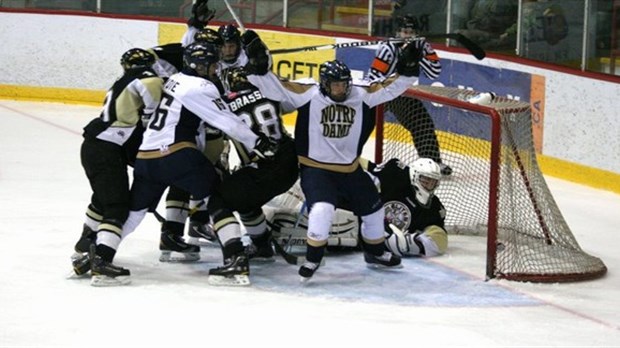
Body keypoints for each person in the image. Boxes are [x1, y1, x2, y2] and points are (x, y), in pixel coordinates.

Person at [87, 42, 278, 286]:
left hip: (147, 158)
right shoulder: (199, 87)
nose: (214, 69)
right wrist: (259, 143)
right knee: (218, 198)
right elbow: (226, 121)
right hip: (177, 154)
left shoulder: (174, 79)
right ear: (199, 66)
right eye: (211, 64)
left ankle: (99, 258)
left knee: (133, 212)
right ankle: (235, 259)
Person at [240, 30, 424, 281]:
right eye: (335, 85)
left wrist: (408, 67)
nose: (340, 89)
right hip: (316, 169)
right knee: (323, 209)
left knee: (373, 210)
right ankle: (314, 259)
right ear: (325, 84)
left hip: (350, 169)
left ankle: (375, 252)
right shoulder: (308, 93)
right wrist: (257, 66)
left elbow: (390, 89)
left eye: (343, 84)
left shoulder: (360, 94)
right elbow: (273, 87)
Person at [69, 48, 163, 278]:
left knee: (103, 198)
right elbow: (153, 118)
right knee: (117, 207)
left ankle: (87, 240)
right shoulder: (148, 78)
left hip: (96, 146)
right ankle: (101, 262)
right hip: (106, 149)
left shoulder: (123, 81)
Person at [203, 67, 299, 285]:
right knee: (244, 195)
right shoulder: (270, 94)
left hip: (266, 168)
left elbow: (216, 143)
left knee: (219, 199)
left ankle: (235, 258)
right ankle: (262, 245)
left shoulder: (225, 105)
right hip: (290, 161)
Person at [368, 14, 452, 176]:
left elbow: (435, 72)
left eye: (411, 32)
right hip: (381, 92)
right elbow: (373, 77)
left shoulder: (422, 46)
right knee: (363, 123)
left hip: (402, 94)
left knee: (422, 123)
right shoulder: (388, 49)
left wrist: (419, 55)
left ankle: (432, 162)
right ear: (397, 33)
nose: (408, 35)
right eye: (404, 32)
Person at [364, 157, 448, 257]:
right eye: (425, 180)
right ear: (414, 176)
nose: (429, 184)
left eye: (433, 182)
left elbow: (439, 236)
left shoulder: (434, 207)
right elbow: (367, 168)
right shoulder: (395, 174)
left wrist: (411, 244)